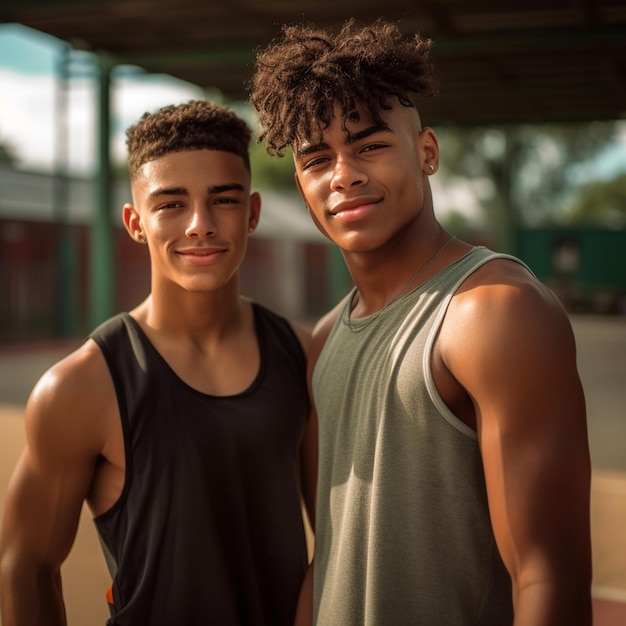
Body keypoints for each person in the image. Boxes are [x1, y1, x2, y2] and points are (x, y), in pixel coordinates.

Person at [249, 19, 592, 625]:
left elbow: (548, 576)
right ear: (302, 185)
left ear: (426, 152)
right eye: (316, 158)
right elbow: (332, 552)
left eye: (370, 144)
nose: (343, 174)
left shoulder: (495, 311)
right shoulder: (325, 338)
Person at [0, 100, 316, 625]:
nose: (200, 224)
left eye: (224, 200)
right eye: (171, 204)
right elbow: (24, 567)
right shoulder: (79, 387)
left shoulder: (302, 356)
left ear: (253, 212)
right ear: (134, 222)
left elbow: (337, 538)